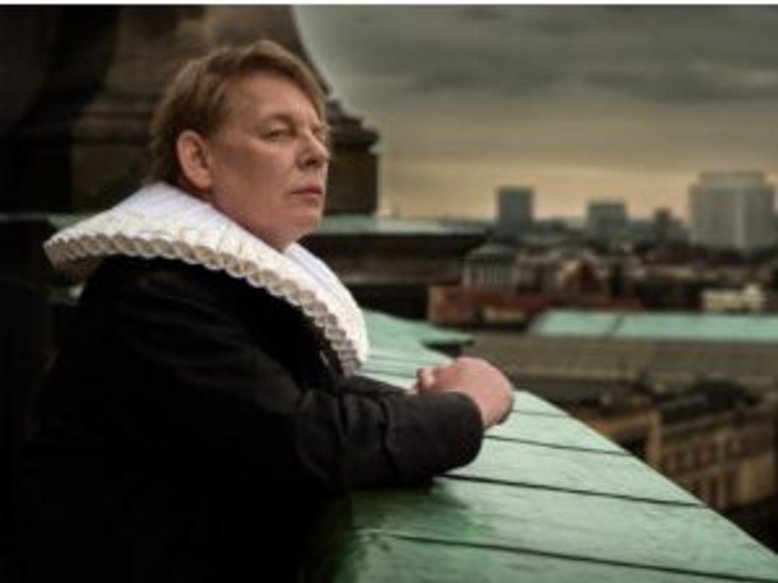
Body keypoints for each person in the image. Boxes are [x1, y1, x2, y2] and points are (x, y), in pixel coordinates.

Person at [19, 40, 513, 582]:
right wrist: (468, 406)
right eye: (279, 133)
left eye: (319, 135)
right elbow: (307, 441)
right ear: (198, 159)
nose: (318, 153)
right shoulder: (156, 295)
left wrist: (421, 405)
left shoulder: (209, 282)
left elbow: (307, 395)